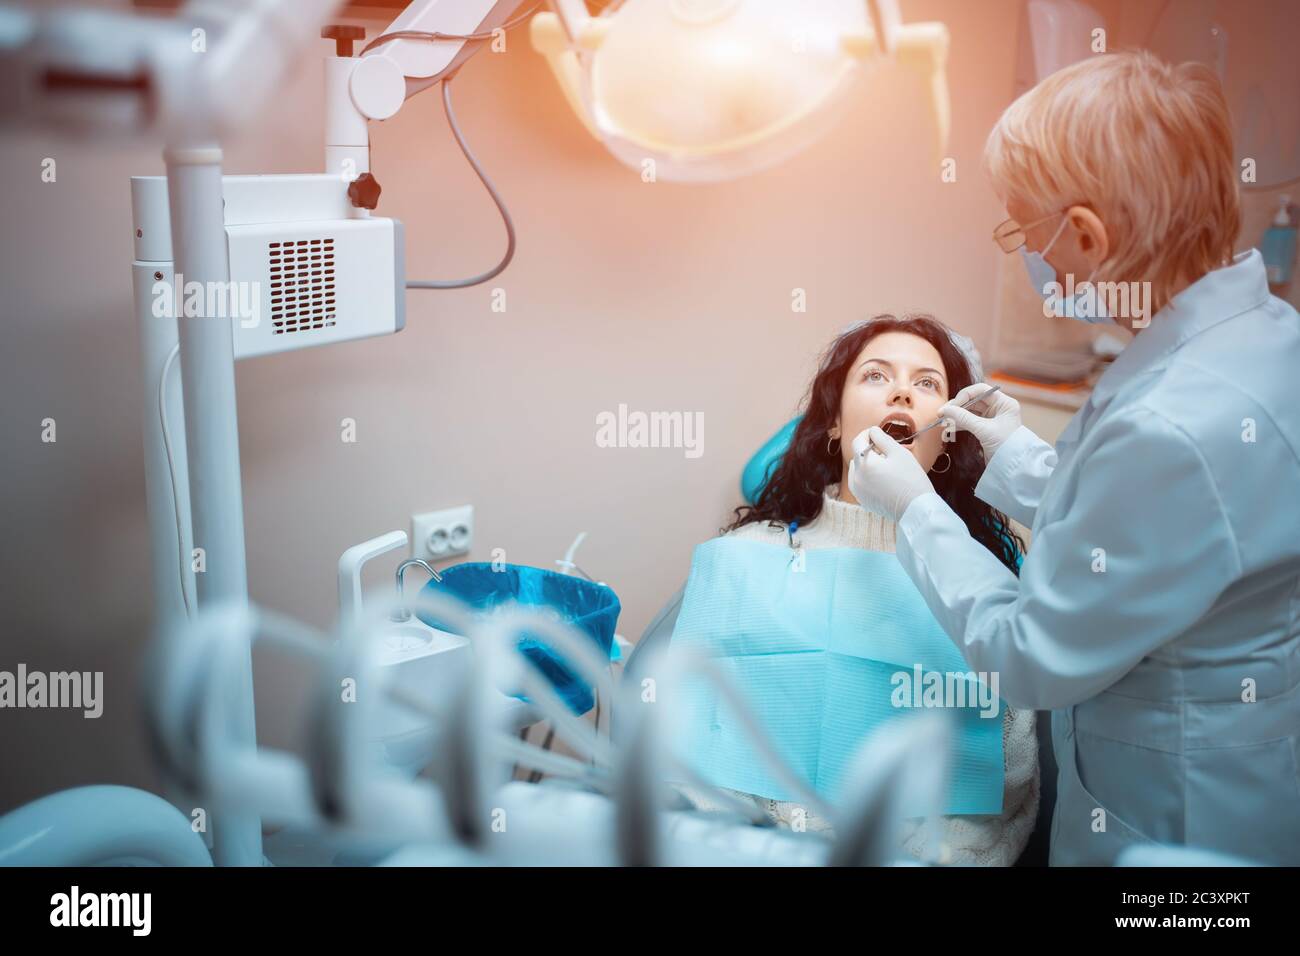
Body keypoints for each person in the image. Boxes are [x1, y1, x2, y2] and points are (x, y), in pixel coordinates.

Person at [849, 51, 1300, 865]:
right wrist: (1017, 456)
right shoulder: (1266, 338)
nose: (902, 398)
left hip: (1178, 816)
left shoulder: (1170, 425)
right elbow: (1163, 538)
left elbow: (1030, 656)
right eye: (874, 376)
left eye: (1023, 229)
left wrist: (917, 509)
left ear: (1086, 236)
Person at [676, 314, 1040, 866]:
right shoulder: (740, 561)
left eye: (926, 383)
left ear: (946, 437)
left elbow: (999, 794)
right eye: (876, 376)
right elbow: (688, 756)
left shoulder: (978, 584)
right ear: (834, 426)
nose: (901, 390)